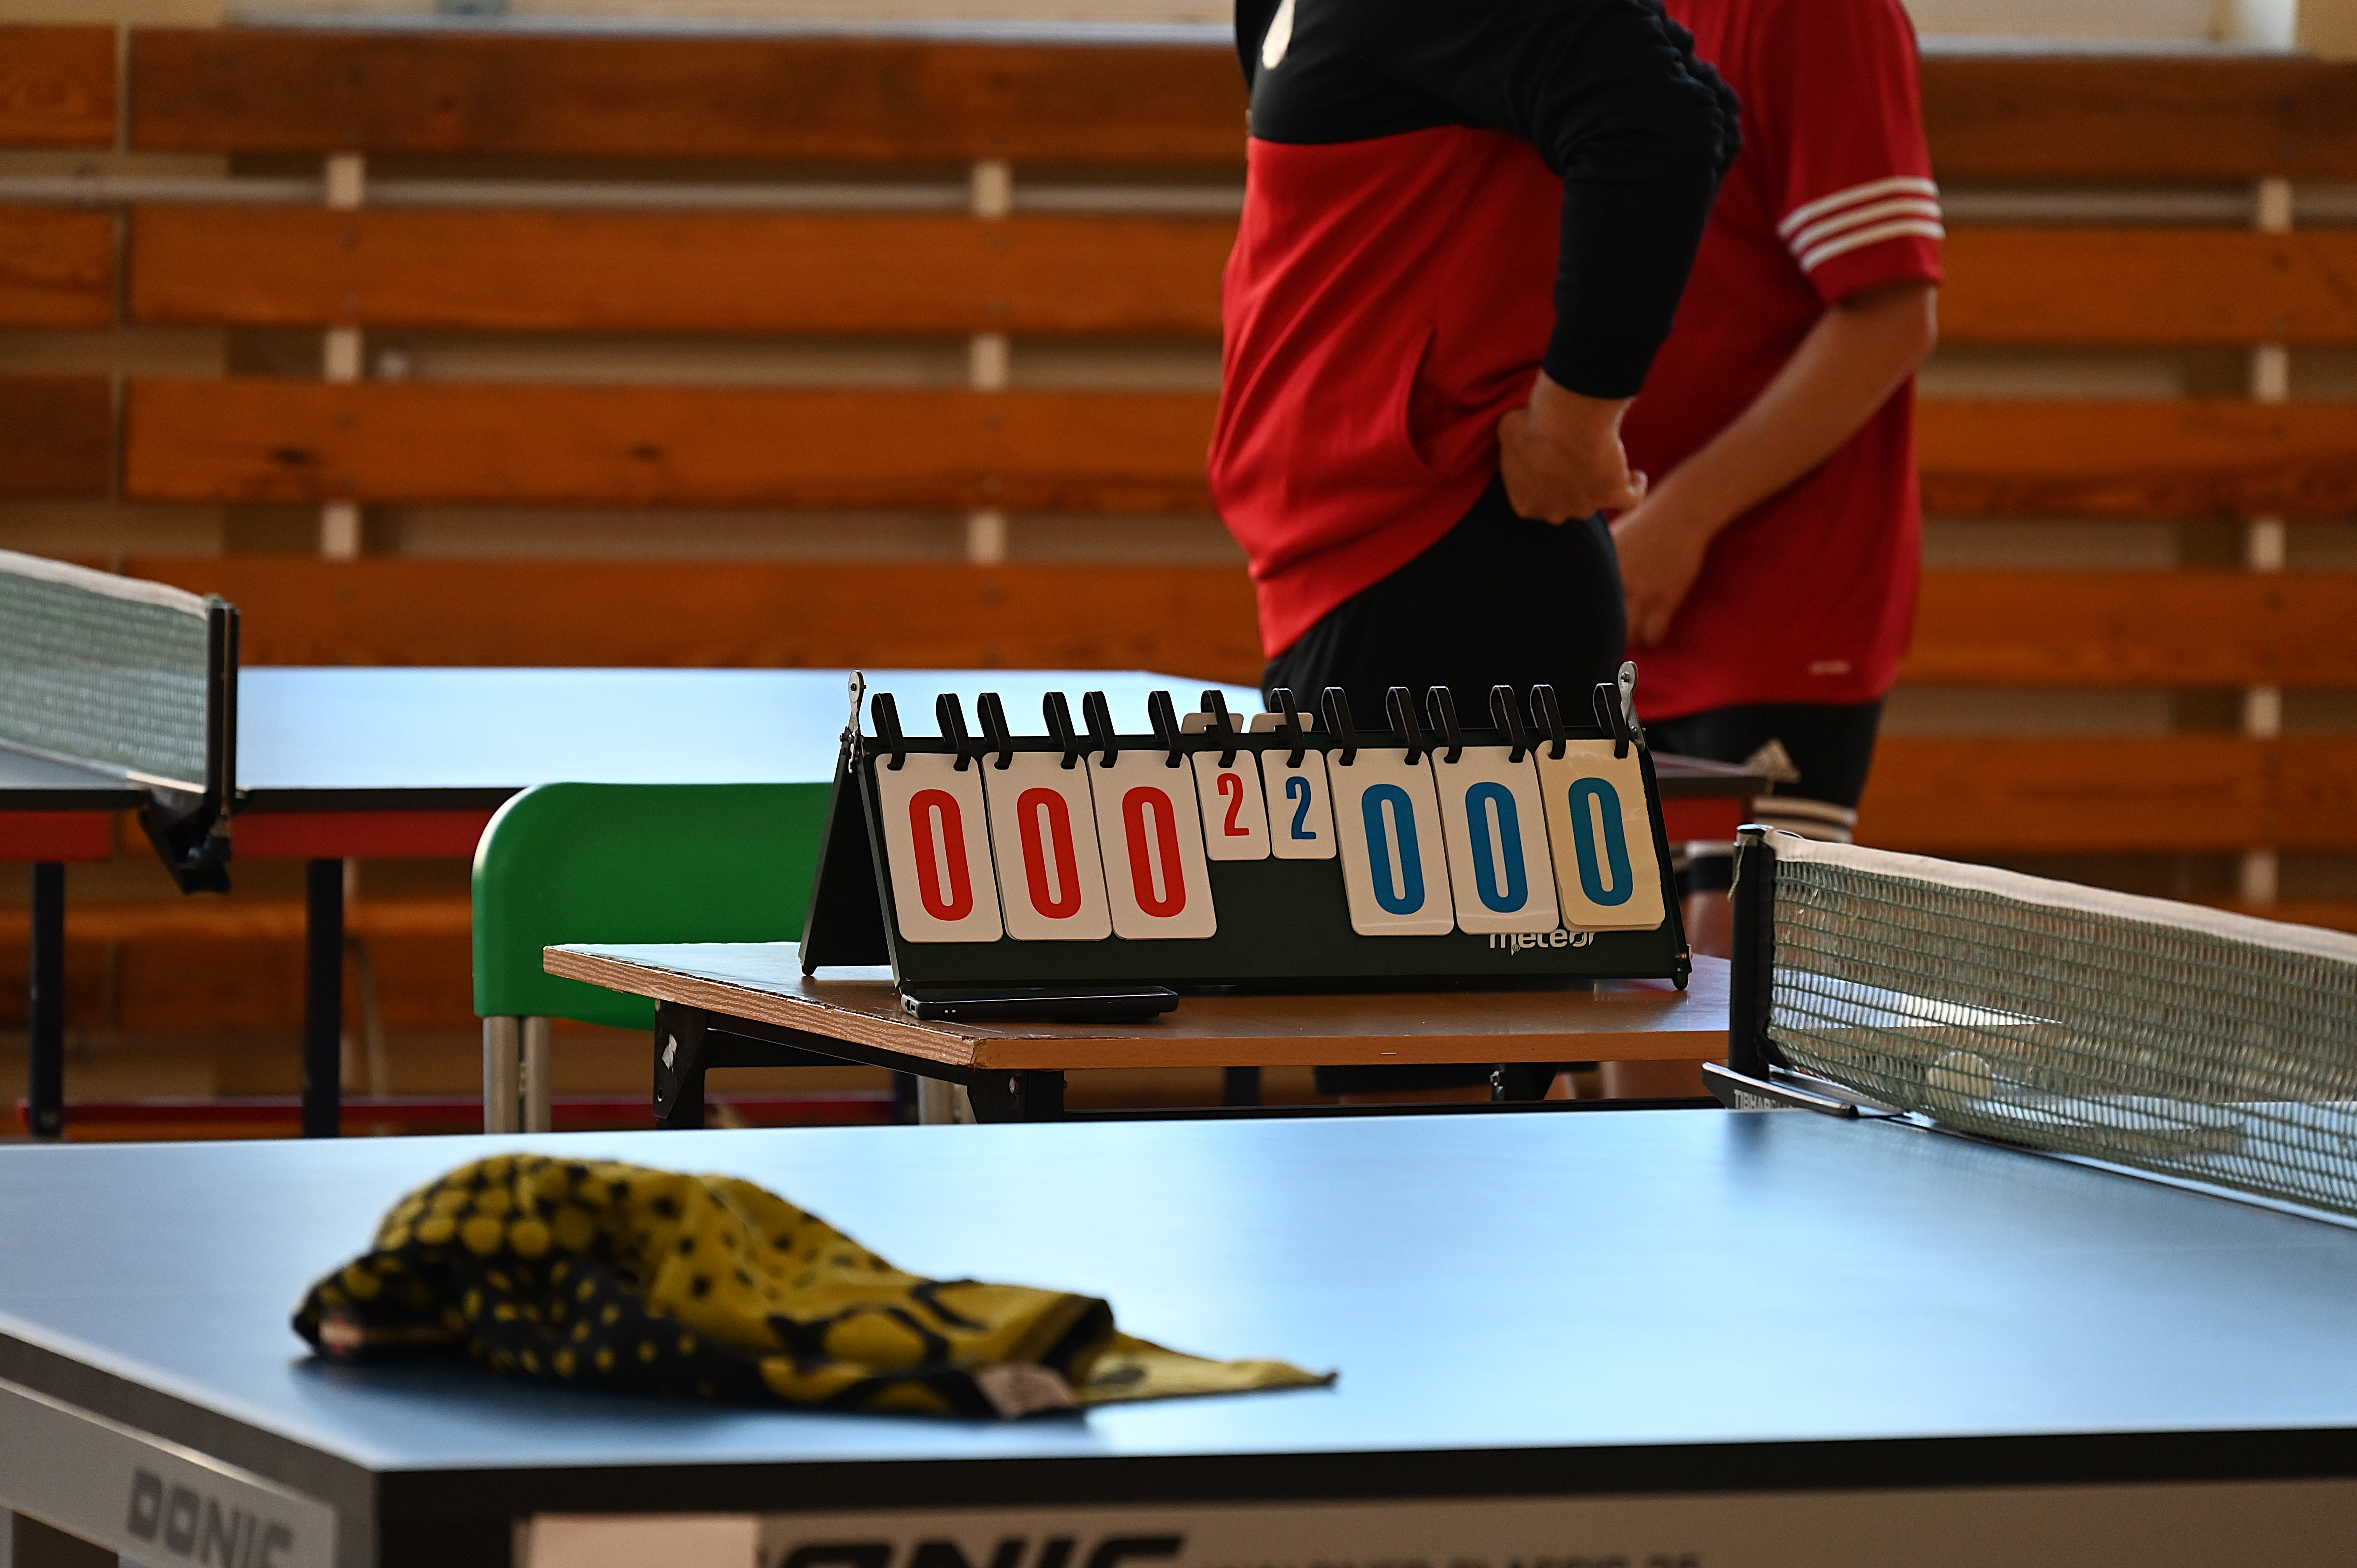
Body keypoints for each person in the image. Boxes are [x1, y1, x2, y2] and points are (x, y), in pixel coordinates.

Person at [1211, 0, 1742, 1101]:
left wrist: (1576, 418)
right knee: (1425, 1126)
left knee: (1423, 1136)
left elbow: (1665, 118)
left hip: (1446, 590)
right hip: (1349, 591)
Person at [1603, 0, 1941, 1096]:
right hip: (1613, 578)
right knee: (1612, 1008)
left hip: (1776, 598)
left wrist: (1683, 519)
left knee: (1715, 1028)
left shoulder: (1817, 15)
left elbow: (1891, 313)